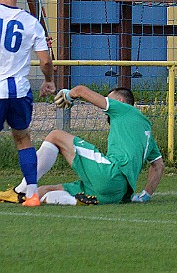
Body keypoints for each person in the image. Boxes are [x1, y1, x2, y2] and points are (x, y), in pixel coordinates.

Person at [0, 85, 164, 206]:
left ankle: (19, 190)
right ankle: (73, 200)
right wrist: (145, 195)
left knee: (55, 135)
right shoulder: (146, 130)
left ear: (120, 101)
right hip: (116, 193)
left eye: (109, 97)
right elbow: (158, 165)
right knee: (42, 191)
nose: (106, 103)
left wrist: (69, 95)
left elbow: (80, 90)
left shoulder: (123, 109)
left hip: (111, 174)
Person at [0, 0, 56, 207]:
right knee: (22, 139)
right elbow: (45, 60)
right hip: (18, 90)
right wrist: (49, 80)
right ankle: (32, 194)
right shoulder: (31, 22)